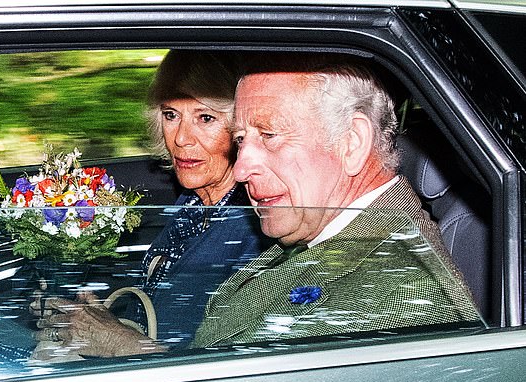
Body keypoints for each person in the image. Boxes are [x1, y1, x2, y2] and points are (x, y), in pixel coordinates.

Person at [190, 53, 484, 347]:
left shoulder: (407, 300)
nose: (240, 169)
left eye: (268, 135)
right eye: (241, 139)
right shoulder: (315, 229)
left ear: (352, 143)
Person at [31, 50, 270, 357]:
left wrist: (117, 341)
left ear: (241, 129)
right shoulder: (192, 205)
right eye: (171, 115)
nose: (181, 138)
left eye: (205, 117)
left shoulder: (257, 229)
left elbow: (223, 369)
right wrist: (86, 316)